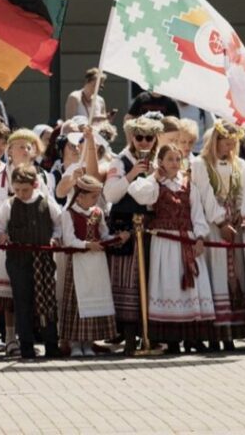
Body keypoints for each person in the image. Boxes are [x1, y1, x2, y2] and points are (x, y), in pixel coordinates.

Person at [129, 144, 214, 352]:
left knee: (193, 287)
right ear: (161, 162)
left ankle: (193, 339)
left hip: (187, 239)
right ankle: (173, 340)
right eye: (170, 159)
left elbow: (197, 213)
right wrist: (154, 177)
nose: (175, 164)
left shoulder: (188, 184)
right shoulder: (156, 184)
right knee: (170, 286)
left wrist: (200, 237)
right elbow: (138, 194)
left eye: (177, 159)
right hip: (165, 244)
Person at [104, 115, 162, 352]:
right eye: (139, 137)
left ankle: (151, 334)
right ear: (132, 137)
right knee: (126, 282)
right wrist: (132, 174)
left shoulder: (159, 161)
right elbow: (110, 195)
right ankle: (128, 337)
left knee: (150, 278)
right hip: (125, 227)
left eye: (149, 138)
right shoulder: (120, 162)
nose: (144, 142)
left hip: (150, 228)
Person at [0, 164, 63, 360]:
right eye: (17, 190)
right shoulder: (9, 204)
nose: (21, 194)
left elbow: (59, 225)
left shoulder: (47, 202)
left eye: (25, 190)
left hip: (44, 260)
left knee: (47, 301)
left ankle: (51, 343)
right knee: (22, 302)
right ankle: (26, 346)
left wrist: (54, 239)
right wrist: (1, 235)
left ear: (34, 185)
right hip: (18, 260)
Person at [191, 121, 245, 348]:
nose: (230, 148)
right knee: (216, 274)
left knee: (236, 275)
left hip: (234, 224)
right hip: (213, 226)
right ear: (216, 141)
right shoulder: (201, 164)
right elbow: (205, 195)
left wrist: (238, 215)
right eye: (226, 143)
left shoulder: (239, 163)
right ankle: (216, 335)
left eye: (234, 144)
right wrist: (221, 220)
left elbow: (243, 190)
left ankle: (233, 331)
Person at [59, 176, 127, 356]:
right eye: (92, 196)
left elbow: (103, 235)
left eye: (97, 196)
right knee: (77, 302)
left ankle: (88, 342)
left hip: (96, 264)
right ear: (80, 196)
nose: (96, 200)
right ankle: (75, 343)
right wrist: (87, 245)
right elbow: (69, 240)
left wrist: (118, 238)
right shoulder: (69, 213)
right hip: (79, 263)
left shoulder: (97, 212)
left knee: (93, 300)